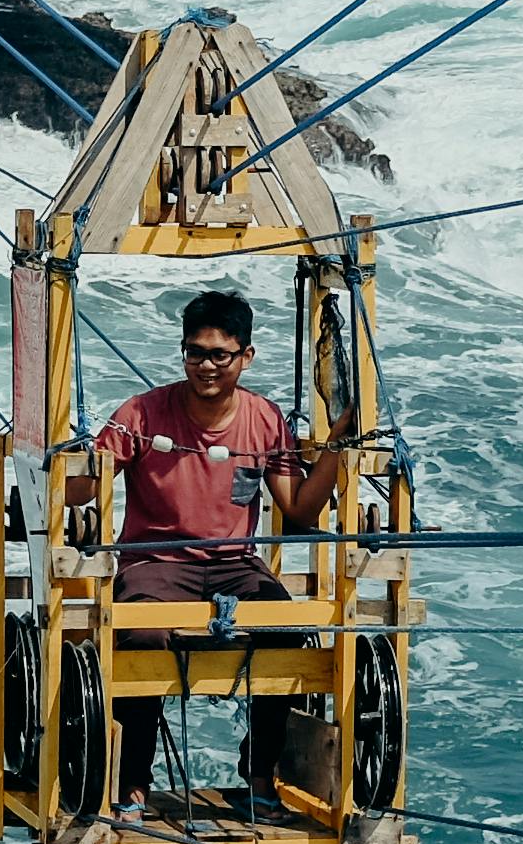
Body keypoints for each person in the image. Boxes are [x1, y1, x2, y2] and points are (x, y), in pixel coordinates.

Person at [95, 287, 344, 813]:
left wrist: (338, 451)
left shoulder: (265, 419)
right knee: (139, 634)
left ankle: (260, 775)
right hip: (155, 563)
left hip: (235, 565)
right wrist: (57, 471)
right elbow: (86, 485)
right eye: (194, 352)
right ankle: (131, 779)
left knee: (287, 628)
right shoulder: (140, 414)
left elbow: (297, 510)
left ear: (245, 356)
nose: (205, 366)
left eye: (218, 355)